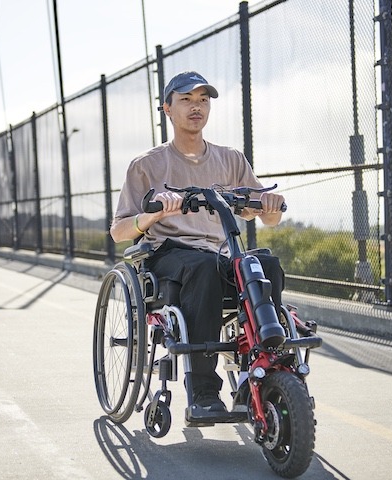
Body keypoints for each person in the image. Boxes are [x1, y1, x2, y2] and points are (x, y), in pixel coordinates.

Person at [110, 71, 286, 414]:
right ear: (167, 109)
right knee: (202, 268)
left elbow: (265, 217)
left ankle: (264, 372)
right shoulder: (147, 165)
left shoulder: (230, 159)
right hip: (170, 255)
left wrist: (271, 207)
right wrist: (153, 215)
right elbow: (118, 231)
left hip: (221, 253)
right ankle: (203, 391)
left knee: (266, 265)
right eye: (187, 100)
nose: (197, 107)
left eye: (203, 100)